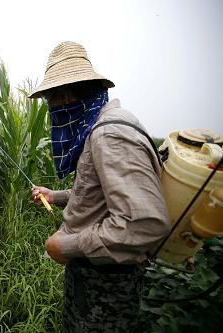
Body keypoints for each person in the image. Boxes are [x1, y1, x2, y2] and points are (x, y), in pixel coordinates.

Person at [28, 41, 171, 332]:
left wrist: (65, 245)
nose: (50, 109)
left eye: (50, 100)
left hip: (105, 288)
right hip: (96, 278)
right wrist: (54, 196)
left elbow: (144, 224)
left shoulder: (109, 135)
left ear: (65, 95)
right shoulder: (100, 127)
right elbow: (99, 191)